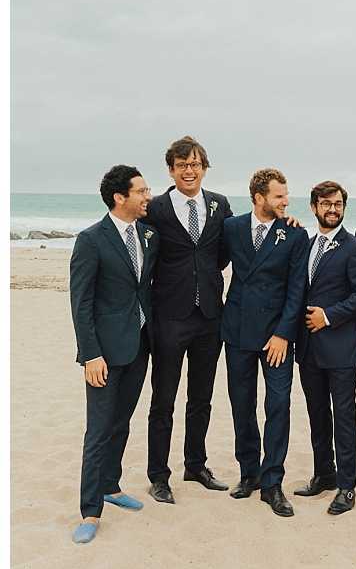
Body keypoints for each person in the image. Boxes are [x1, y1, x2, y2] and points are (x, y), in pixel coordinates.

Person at [69, 165, 158, 544]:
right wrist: (90, 355)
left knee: (122, 421)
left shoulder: (148, 234)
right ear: (120, 197)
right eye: (141, 191)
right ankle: (90, 510)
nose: (148, 196)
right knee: (99, 430)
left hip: (139, 345)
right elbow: (81, 303)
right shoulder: (91, 240)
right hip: (103, 353)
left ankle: (111, 485)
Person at [145, 136, 232, 504]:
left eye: (195, 164)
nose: (189, 170)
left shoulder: (219, 204)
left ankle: (195, 465)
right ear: (171, 170)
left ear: (204, 168)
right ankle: (158, 475)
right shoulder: (156, 208)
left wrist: (283, 218)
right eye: (182, 165)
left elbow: (227, 250)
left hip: (209, 316)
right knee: (163, 399)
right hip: (169, 316)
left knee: (201, 398)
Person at [221, 168, 310, 517]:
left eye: (286, 195)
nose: (286, 201)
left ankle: (272, 482)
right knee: (241, 404)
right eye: (279, 196)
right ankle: (249, 473)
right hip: (238, 330)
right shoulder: (231, 228)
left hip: (276, 335)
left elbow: (297, 289)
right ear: (259, 198)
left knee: (278, 405)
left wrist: (283, 334)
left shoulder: (294, 234)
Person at [294, 180, 356, 515]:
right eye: (326, 204)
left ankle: (347, 485)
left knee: (343, 416)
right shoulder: (306, 245)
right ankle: (324, 474)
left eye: (338, 204)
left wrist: (328, 317)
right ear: (314, 207)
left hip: (341, 348)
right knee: (316, 414)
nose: (332, 209)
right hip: (308, 348)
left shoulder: (355, 247)